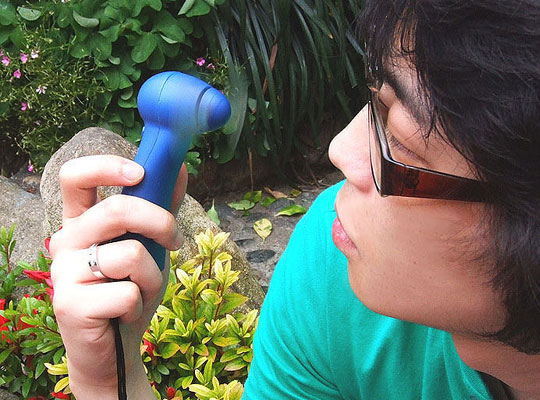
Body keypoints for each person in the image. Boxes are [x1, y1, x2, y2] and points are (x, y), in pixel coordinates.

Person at [49, 0, 540, 399]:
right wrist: (109, 380)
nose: (341, 150)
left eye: (403, 145)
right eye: (376, 102)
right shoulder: (335, 269)